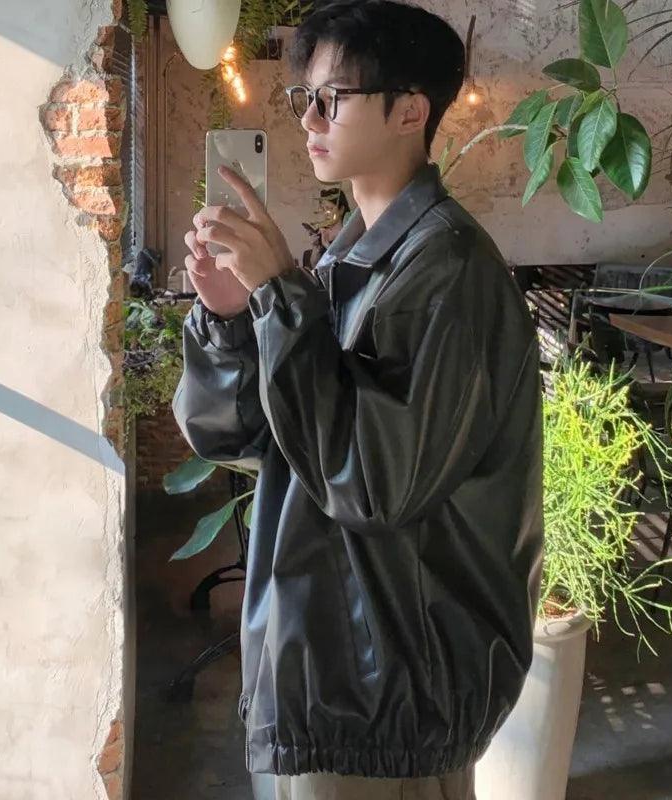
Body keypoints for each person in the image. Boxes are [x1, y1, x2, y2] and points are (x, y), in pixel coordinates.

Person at [173, 2, 543, 798]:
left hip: (388, 688)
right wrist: (233, 319)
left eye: (332, 98)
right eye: (303, 97)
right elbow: (239, 438)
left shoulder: (446, 274)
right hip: (328, 664)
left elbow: (374, 484)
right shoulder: (352, 262)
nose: (309, 119)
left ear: (410, 109)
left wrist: (279, 297)